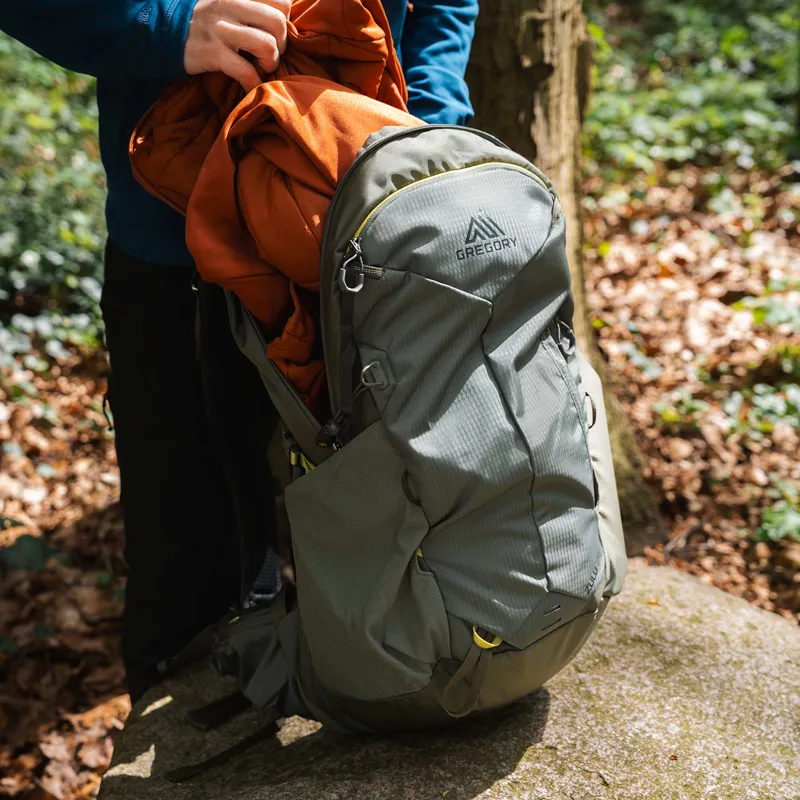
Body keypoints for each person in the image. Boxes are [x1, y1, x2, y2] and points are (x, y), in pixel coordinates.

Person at [1, 0, 479, 702]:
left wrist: (427, 131)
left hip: (373, 221)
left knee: (393, 537)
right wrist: (168, 23)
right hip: (180, 238)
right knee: (186, 589)